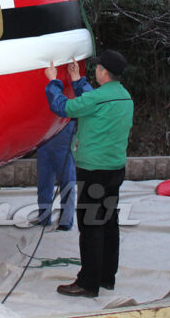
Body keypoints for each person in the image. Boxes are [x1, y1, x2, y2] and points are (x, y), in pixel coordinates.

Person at [44, 50, 134, 298]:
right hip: (115, 169)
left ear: (104, 72)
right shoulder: (124, 97)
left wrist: (53, 81)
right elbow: (93, 101)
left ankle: (87, 282)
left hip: (93, 171)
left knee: (91, 226)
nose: (95, 71)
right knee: (108, 222)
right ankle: (106, 277)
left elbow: (63, 107)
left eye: (97, 68)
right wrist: (76, 81)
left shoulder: (98, 99)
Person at [35, 120, 76, 230]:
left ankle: (66, 221)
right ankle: (43, 217)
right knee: (44, 182)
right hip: (44, 138)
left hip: (63, 135)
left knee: (67, 182)